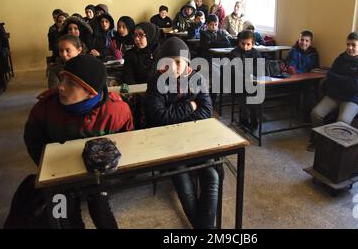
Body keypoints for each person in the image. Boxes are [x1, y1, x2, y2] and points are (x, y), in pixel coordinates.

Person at [24, 54, 134, 228]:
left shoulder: (116, 110)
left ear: (91, 93)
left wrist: (107, 168)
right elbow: (33, 140)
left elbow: (127, 139)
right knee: (65, 214)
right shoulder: (45, 108)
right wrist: (50, 167)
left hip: (98, 174)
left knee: (101, 208)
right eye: (63, 79)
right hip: (60, 173)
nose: (60, 87)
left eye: (71, 84)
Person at [145, 37, 218, 229]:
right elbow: (159, 117)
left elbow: (207, 111)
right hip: (168, 140)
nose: (174, 67)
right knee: (181, 174)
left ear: (187, 63)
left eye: (179, 62)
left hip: (196, 137)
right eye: (169, 62)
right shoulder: (155, 82)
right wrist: (190, 105)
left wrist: (178, 114)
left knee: (212, 175)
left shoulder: (197, 78)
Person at [308, 32, 358, 151]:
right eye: (348, 44)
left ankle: (335, 149)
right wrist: (346, 80)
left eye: (353, 45)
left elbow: (356, 87)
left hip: (353, 99)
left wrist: (338, 78)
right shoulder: (340, 59)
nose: (349, 48)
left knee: (343, 122)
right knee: (316, 113)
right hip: (335, 95)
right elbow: (330, 76)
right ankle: (321, 140)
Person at [230, 30, 262, 132]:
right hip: (237, 84)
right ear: (239, 42)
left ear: (253, 44)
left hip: (252, 84)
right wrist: (248, 75)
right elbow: (236, 71)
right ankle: (244, 120)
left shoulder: (256, 53)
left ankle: (254, 121)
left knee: (255, 98)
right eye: (242, 44)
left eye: (248, 44)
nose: (245, 46)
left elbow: (260, 69)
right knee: (244, 100)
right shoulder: (234, 53)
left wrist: (250, 74)